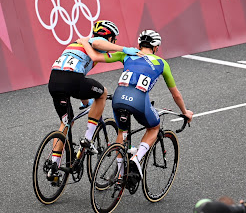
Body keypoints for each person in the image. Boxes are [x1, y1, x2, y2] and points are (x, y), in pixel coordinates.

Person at [77, 29, 193, 183]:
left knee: (122, 132)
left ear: (139, 44)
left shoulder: (126, 54)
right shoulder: (162, 63)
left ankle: (119, 175)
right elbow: (176, 94)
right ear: (156, 47)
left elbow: (96, 57)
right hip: (139, 101)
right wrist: (185, 112)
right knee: (154, 127)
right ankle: (136, 159)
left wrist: (85, 42)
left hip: (118, 98)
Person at [47, 20, 140, 181]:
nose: (114, 42)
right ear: (109, 37)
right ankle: (88, 139)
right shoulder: (93, 41)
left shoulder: (77, 44)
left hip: (54, 81)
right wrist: (124, 49)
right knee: (102, 94)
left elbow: (78, 77)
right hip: (72, 79)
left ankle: (53, 167)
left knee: (66, 123)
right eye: (114, 39)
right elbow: (97, 42)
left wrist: (85, 102)